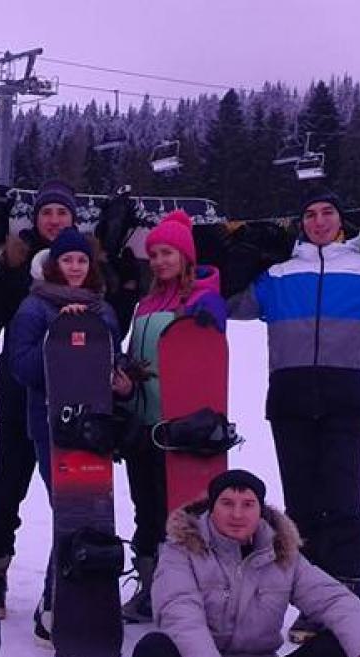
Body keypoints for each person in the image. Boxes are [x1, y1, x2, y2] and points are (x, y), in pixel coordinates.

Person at [226, 191, 360, 616]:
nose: (318, 221)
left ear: (341, 220)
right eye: (309, 214)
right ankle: (310, 593)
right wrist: (245, 254)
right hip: (290, 399)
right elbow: (227, 304)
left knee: (342, 499)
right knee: (301, 503)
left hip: (348, 399)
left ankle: (346, 591)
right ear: (300, 222)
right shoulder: (279, 274)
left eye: (327, 213)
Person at [132, 470, 360, 657]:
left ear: (260, 511)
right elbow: (183, 620)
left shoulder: (282, 553)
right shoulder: (180, 552)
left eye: (248, 504)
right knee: (152, 650)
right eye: (227, 503)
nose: (237, 514)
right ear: (211, 508)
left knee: (340, 646)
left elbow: (336, 601)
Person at [111, 210, 228, 623]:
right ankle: (150, 588)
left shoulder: (201, 299)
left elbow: (207, 346)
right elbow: (141, 363)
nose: (160, 261)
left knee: (181, 513)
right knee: (146, 510)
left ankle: (187, 591)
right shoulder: (145, 305)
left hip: (182, 429)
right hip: (144, 426)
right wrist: (126, 386)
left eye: (168, 253)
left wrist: (205, 320)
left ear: (186, 256)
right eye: (155, 254)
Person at [6, 226, 121, 641]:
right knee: (68, 508)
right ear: (54, 264)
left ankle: (73, 597)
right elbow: (21, 367)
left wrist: (122, 378)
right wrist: (60, 338)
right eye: (67, 260)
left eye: (82, 260)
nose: (75, 267)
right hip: (51, 425)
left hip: (95, 426)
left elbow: (111, 361)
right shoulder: (34, 307)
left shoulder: (102, 309)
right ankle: (55, 601)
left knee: (91, 510)